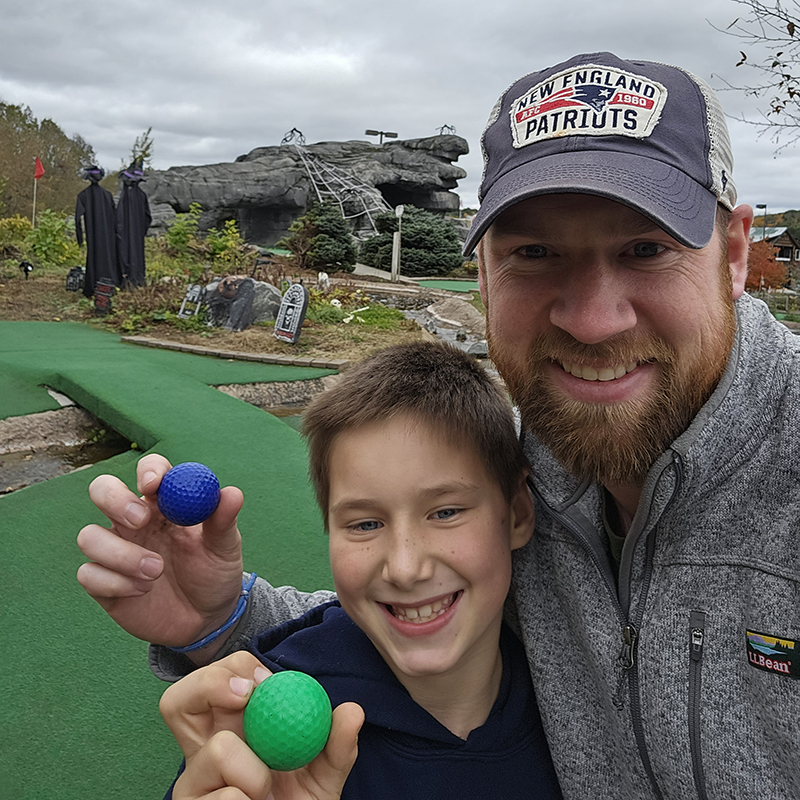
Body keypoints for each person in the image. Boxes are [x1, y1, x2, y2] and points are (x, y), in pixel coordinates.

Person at [76, 51, 800, 798]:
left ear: (736, 255)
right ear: (483, 275)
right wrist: (223, 618)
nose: (591, 319)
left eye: (646, 249)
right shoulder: (530, 455)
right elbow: (429, 598)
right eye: (535, 253)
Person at [156, 342, 562, 798]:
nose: (405, 569)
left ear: (518, 515)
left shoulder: (577, 697)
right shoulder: (260, 727)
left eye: (446, 512)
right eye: (365, 523)